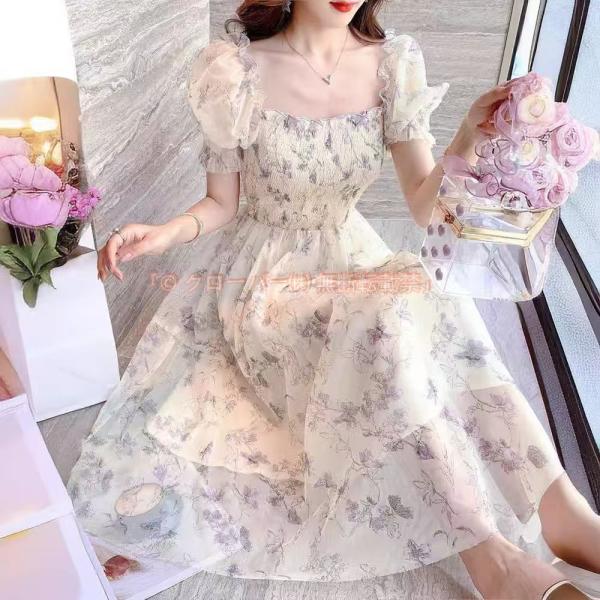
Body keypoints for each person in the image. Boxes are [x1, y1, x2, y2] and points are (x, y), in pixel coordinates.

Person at [68, 1, 600, 598]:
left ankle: (559, 507)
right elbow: (222, 203)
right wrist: (164, 233)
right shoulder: (233, 72)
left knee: (426, 302)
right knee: (384, 324)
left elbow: (423, 207)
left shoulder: (392, 64)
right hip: (265, 281)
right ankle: (490, 555)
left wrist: (470, 133)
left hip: (352, 256)